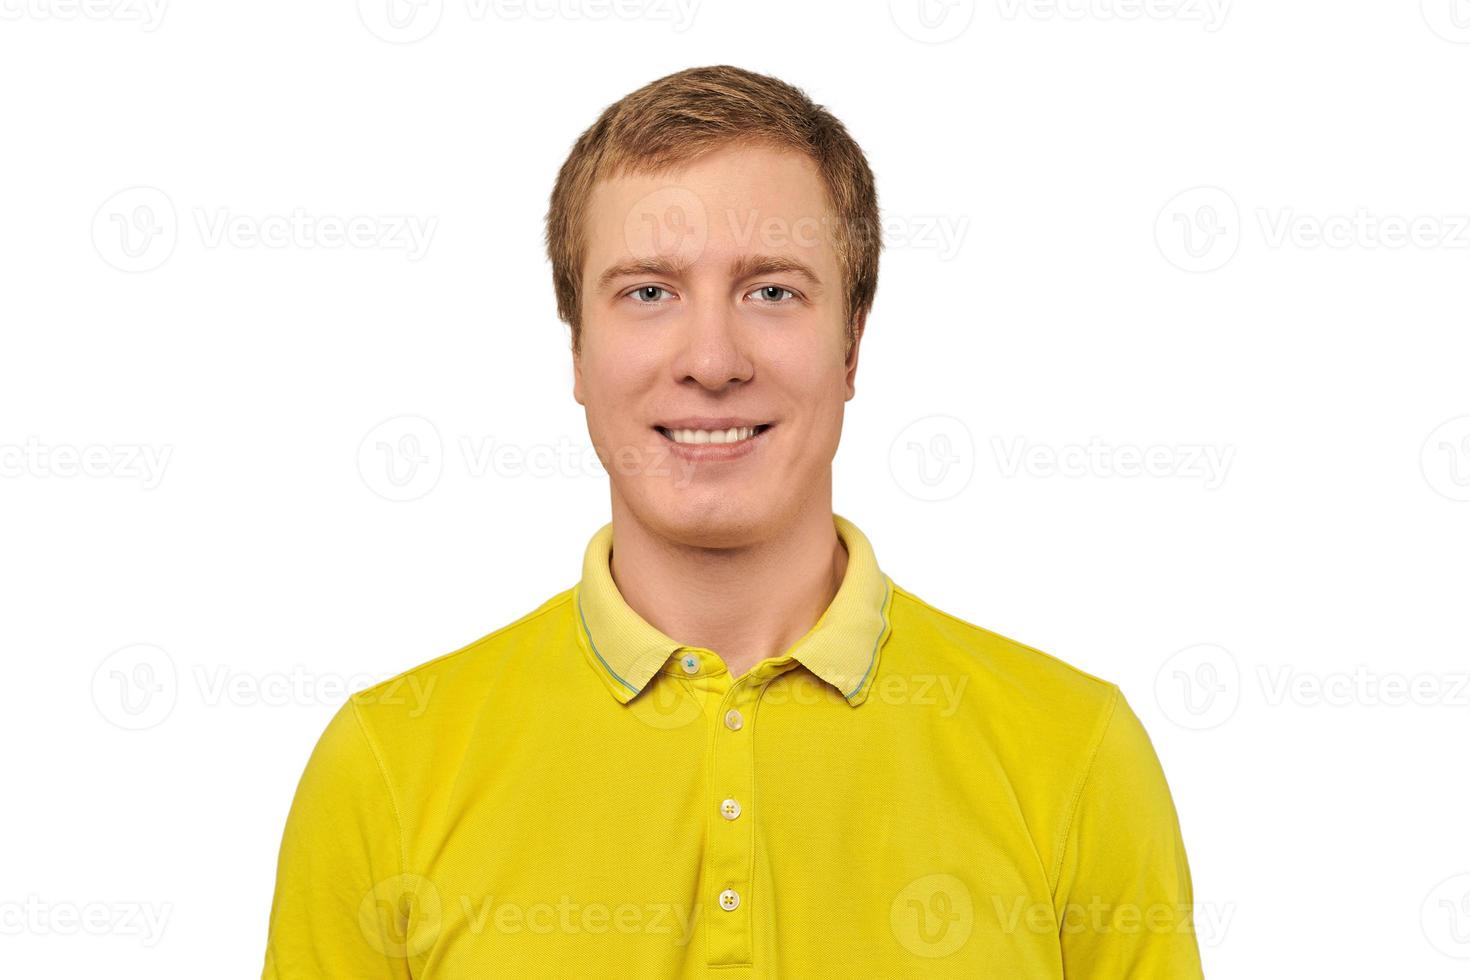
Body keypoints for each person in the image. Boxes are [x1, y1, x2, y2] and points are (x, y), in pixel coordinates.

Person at [259, 64, 1205, 978]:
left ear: (853, 345)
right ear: (578, 353)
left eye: (771, 291)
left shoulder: (1075, 753)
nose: (711, 360)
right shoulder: (385, 768)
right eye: (649, 292)